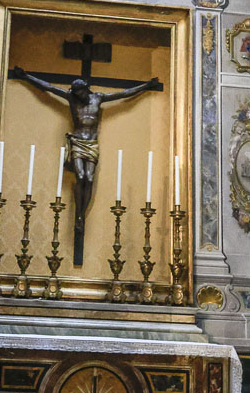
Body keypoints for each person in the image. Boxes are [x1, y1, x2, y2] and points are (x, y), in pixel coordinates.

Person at [10, 65, 161, 265]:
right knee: (80, 176)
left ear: (86, 89)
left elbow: (124, 94)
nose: (77, 96)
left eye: (79, 92)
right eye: (75, 93)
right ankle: (78, 217)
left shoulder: (98, 98)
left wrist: (146, 86)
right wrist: (26, 76)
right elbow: (48, 88)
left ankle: (81, 214)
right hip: (77, 142)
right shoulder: (71, 98)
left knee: (89, 178)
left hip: (92, 144)